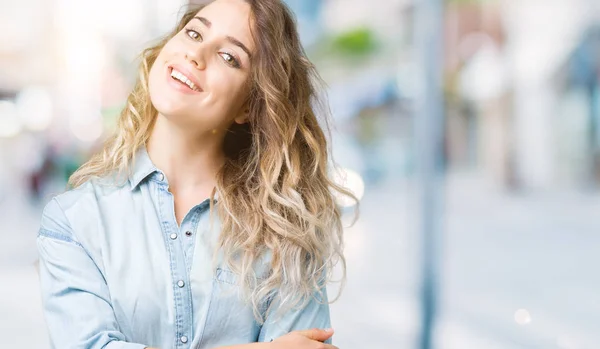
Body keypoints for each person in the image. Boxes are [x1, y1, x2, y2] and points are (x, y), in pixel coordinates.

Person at [36, 0, 357, 348]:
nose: (196, 54)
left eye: (229, 57)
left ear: (248, 106)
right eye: (193, 32)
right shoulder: (75, 221)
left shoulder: (286, 229)